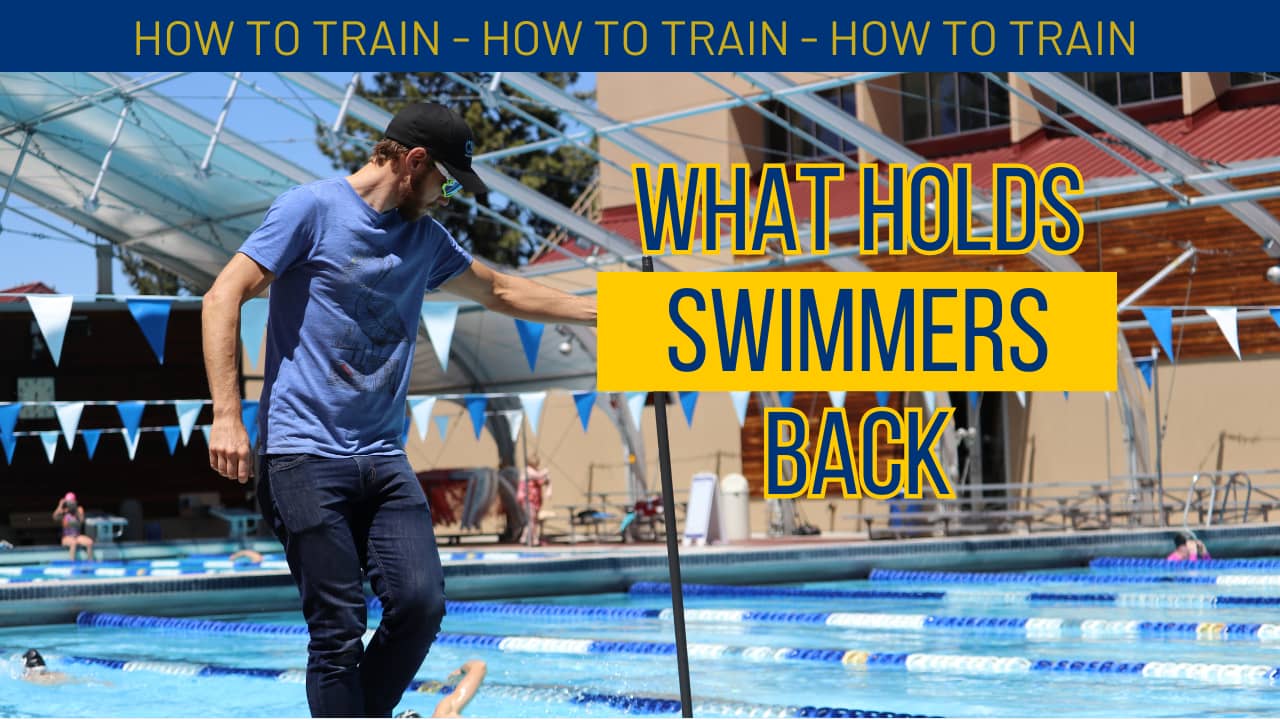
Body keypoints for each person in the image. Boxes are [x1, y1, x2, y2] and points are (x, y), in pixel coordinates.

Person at [201, 101, 596, 718]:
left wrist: (608, 311)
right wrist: (227, 415)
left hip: (383, 458)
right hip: (303, 455)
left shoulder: (425, 239)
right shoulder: (310, 209)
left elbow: (500, 289)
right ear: (413, 162)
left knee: (420, 605)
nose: (445, 198)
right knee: (338, 629)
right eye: (445, 182)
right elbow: (223, 295)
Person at [517, 455, 552, 545]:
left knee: (532, 521)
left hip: (535, 501)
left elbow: (543, 481)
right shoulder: (527, 470)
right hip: (527, 500)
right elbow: (537, 476)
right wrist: (544, 471)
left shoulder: (535, 472)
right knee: (531, 519)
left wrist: (549, 485)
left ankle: (526, 538)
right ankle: (532, 539)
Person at [52, 493, 93, 562]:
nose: (70, 504)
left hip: (77, 536)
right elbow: (55, 517)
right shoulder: (64, 511)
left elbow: (82, 520)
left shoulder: (79, 510)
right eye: (69, 503)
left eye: (71, 503)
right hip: (66, 537)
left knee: (89, 542)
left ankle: (90, 562)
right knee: (73, 543)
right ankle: (72, 563)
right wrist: (60, 505)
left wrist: (75, 508)